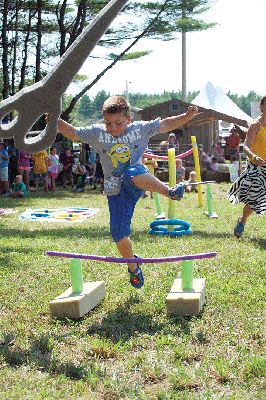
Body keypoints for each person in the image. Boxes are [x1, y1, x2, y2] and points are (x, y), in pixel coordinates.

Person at [49, 95, 198, 288]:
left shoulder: (140, 129)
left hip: (136, 180)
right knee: (118, 234)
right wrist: (54, 119)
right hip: (115, 190)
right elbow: (73, 133)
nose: (113, 128)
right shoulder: (97, 133)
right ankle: (133, 265)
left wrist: (186, 116)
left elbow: (166, 124)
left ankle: (170, 192)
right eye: (108, 123)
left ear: (129, 119)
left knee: (131, 172)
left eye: (119, 123)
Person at [227, 95, 266, 238]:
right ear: (261, 107)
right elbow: (246, 147)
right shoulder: (256, 125)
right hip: (257, 166)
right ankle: (243, 220)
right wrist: (253, 156)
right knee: (255, 199)